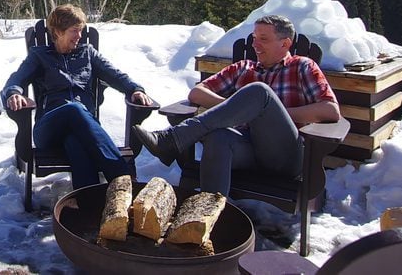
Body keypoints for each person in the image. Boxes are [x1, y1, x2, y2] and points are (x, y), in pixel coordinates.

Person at [134, 14, 340, 195]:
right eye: (254, 38)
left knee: (259, 92)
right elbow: (197, 93)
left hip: (284, 155)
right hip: (245, 151)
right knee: (218, 136)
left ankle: (174, 139)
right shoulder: (243, 68)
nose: (255, 45)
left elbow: (330, 110)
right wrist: (237, 108)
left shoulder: (302, 66)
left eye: (263, 39)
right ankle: (207, 218)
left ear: (285, 44)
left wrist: (270, 111)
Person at [1, 4, 154, 189]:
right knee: (74, 109)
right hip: (49, 129)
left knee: (75, 143)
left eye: (81, 30)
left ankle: (89, 202)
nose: (79, 36)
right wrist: (14, 93)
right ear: (57, 32)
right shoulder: (39, 56)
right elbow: (15, 80)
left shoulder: (87, 53)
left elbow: (116, 75)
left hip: (82, 128)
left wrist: (135, 89)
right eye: (74, 31)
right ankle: (122, 177)